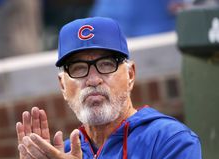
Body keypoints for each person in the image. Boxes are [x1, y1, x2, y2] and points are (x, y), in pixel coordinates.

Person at [16, 17, 202, 159]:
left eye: (106, 64)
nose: (93, 79)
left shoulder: (170, 140)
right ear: (63, 86)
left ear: (130, 75)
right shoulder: (61, 153)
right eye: (78, 68)